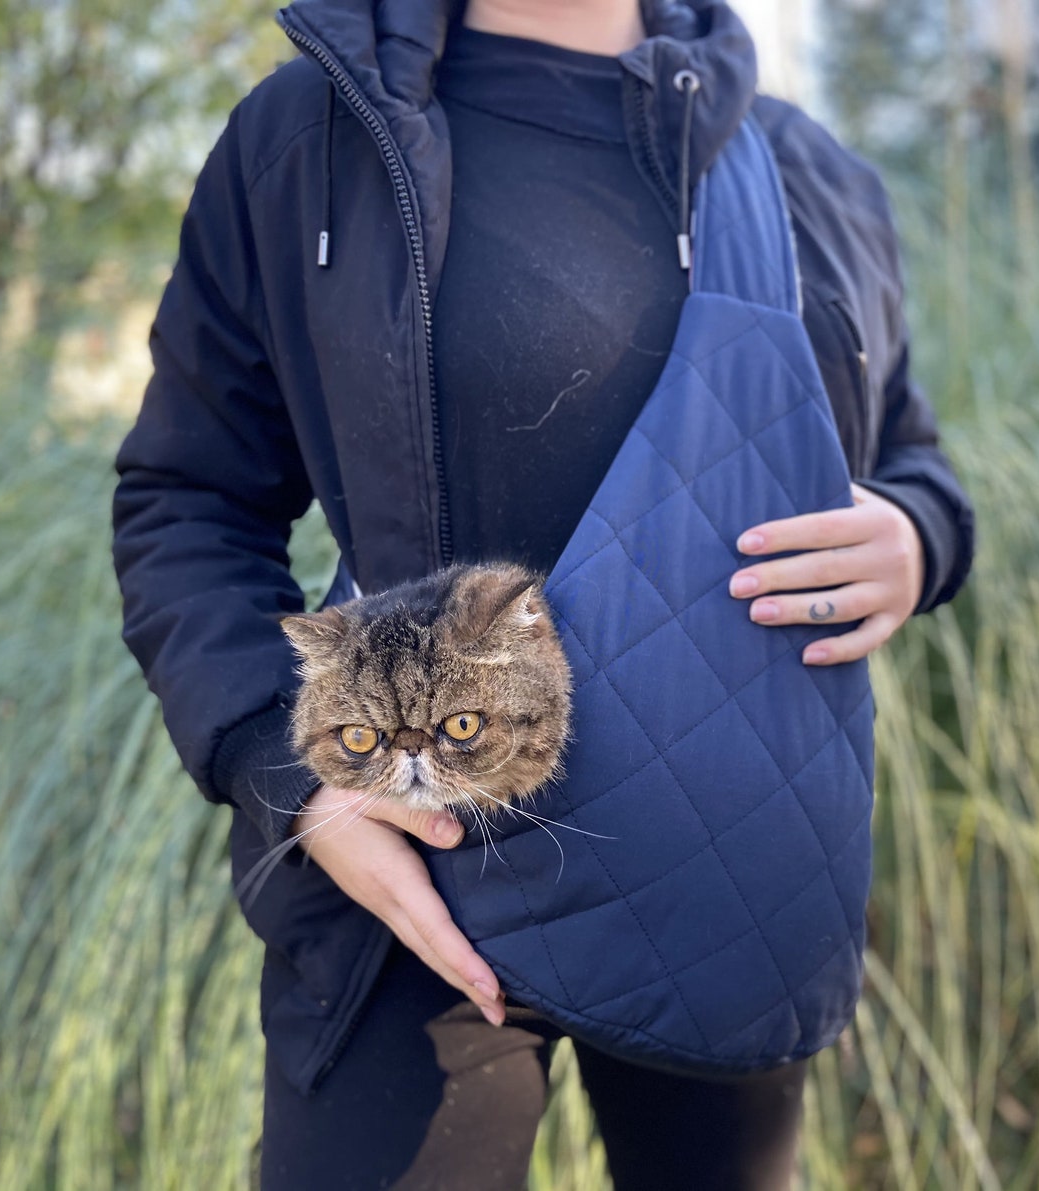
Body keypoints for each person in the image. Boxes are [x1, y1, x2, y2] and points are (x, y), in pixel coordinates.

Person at [112, 0, 974, 1186]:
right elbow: (187, 499)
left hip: (728, 877)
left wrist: (919, 537)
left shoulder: (807, 174)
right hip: (408, 885)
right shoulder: (313, 138)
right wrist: (290, 772)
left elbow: (911, 460)